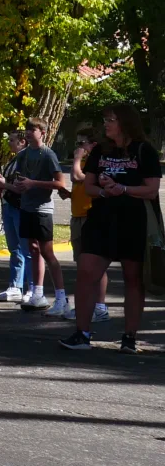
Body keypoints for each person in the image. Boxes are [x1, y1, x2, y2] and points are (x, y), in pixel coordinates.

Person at [61, 104, 160, 353]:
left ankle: (129, 337)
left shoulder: (143, 150)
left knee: (133, 278)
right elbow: (90, 187)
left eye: (111, 119)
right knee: (85, 272)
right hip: (101, 219)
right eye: (105, 119)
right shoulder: (100, 151)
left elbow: (151, 189)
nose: (106, 124)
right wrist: (106, 189)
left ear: (125, 122)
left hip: (133, 221)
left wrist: (124, 189)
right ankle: (82, 334)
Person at [0, 117, 66, 316]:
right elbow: (21, 184)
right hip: (25, 207)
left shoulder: (48, 154)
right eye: (27, 129)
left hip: (42, 209)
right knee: (33, 250)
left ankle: (61, 298)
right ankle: (37, 293)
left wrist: (33, 183)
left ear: (42, 133)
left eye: (32, 130)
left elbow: (60, 183)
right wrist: (5, 185)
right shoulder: (23, 155)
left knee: (47, 252)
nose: (28, 133)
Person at [67, 128, 108, 322]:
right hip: (77, 214)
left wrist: (76, 159)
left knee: (96, 265)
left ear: (92, 145)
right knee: (81, 266)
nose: (79, 148)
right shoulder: (84, 162)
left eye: (81, 143)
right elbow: (76, 183)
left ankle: (100, 307)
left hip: (91, 215)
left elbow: (78, 177)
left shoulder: (98, 162)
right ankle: (85, 306)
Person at [0, 131, 31, 304]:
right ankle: (15, 285)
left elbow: (21, 188)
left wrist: (4, 184)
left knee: (25, 248)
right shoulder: (14, 160)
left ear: (23, 142)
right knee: (14, 248)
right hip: (9, 205)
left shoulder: (26, 160)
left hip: (20, 207)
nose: (9, 143)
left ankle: (31, 287)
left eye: (12, 140)